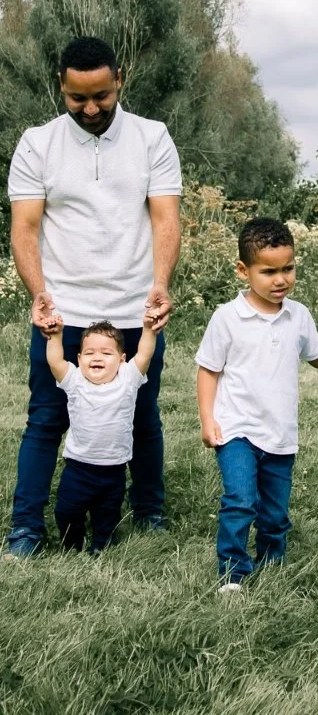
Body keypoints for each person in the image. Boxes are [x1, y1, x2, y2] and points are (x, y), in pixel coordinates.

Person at [6, 35, 181, 558]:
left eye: (101, 96)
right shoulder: (38, 143)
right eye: (78, 98)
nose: (90, 108)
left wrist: (160, 285)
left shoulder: (153, 138)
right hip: (64, 314)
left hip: (134, 308)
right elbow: (25, 228)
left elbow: (166, 217)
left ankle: (149, 512)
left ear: (119, 80)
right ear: (61, 86)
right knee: (46, 418)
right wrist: (39, 294)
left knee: (141, 415)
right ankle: (26, 529)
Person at [195, 217, 318, 592]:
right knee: (240, 500)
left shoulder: (298, 315)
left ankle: (272, 563)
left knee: (274, 512)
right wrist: (208, 419)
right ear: (244, 270)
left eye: (287, 268)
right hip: (236, 428)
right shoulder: (227, 318)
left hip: (280, 433)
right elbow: (208, 370)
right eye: (268, 271)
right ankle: (233, 573)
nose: (280, 279)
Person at [46, 313, 158, 554]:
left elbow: (145, 354)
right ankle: (72, 545)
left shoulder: (128, 379)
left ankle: (101, 545)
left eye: (106, 353)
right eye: (89, 353)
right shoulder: (75, 381)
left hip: (114, 468)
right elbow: (56, 362)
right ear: (79, 358)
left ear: (121, 359)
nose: (97, 357)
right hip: (78, 468)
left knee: (107, 513)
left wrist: (148, 330)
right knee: (66, 511)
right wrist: (55, 336)